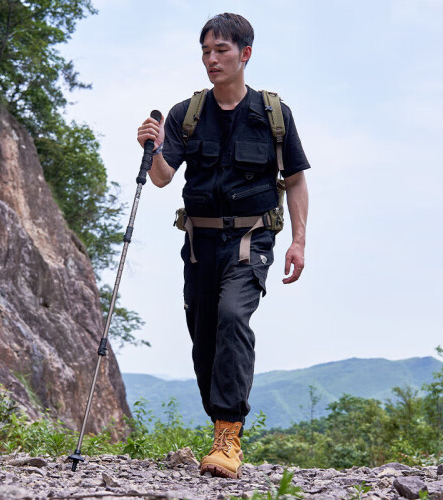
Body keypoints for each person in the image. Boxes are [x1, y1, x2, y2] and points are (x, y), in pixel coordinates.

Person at [137, 13, 310, 479]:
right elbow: (162, 179)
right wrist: (152, 147)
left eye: (221, 51)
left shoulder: (273, 114)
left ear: (245, 54)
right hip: (200, 241)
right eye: (205, 52)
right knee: (204, 337)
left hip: (251, 238)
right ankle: (219, 425)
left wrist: (298, 241)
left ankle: (228, 437)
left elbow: (295, 180)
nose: (211, 59)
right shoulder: (186, 113)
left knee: (233, 315)